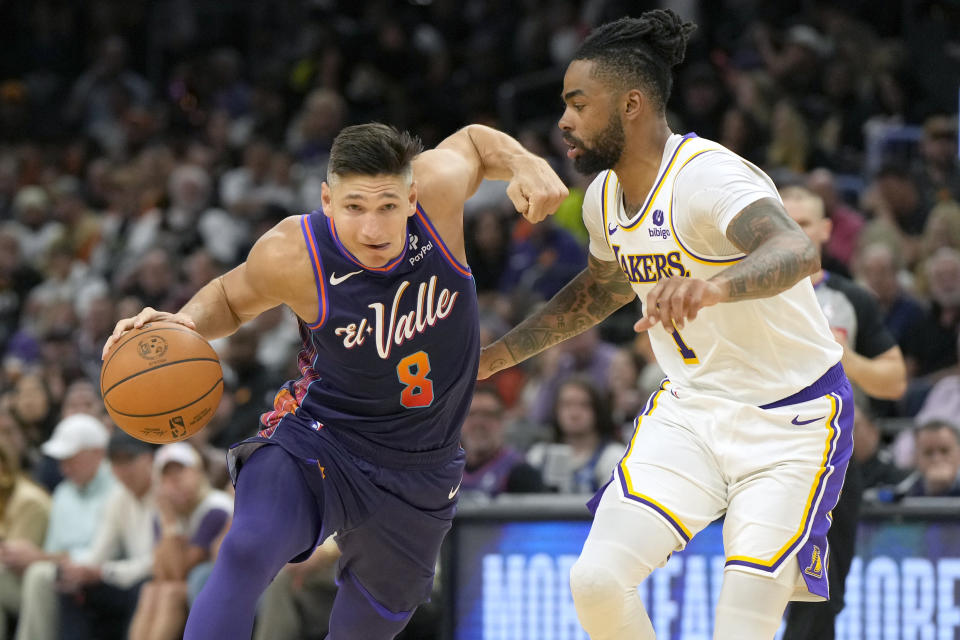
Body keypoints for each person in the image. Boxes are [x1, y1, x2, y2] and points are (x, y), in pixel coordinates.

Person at [103, 122, 567, 639]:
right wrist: (180, 325)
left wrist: (526, 160)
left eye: (388, 205)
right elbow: (231, 299)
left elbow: (477, 143)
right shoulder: (293, 251)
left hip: (424, 466)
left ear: (412, 195)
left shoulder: (436, 194)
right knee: (247, 548)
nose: (372, 227)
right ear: (327, 199)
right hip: (324, 437)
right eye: (354, 207)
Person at [478, 11, 853, 639]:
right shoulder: (601, 198)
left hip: (792, 420)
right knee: (596, 582)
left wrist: (713, 285)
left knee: (741, 624)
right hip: (691, 410)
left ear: (629, 105)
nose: (564, 121)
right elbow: (602, 287)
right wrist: (493, 358)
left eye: (578, 104)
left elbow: (796, 251)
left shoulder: (708, 175)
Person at [127, 443, 232, 640]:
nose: (174, 481)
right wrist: (168, 523)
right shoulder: (166, 513)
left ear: (198, 473)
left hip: (219, 582)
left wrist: (170, 526)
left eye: (181, 471)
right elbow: (160, 572)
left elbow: (179, 572)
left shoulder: (216, 508)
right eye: (167, 475)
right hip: (190, 581)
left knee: (170, 594)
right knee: (150, 589)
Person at [527, 376, 624, 494]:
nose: (574, 413)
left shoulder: (614, 457)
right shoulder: (538, 456)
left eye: (584, 405)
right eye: (566, 405)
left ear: (597, 411)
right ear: (556, 410)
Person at [460, 387, 544, 498]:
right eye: (471, 414)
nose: (478, 423)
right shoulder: (442, 471)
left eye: (487, 415)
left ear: (502, 421)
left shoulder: (521, 473)